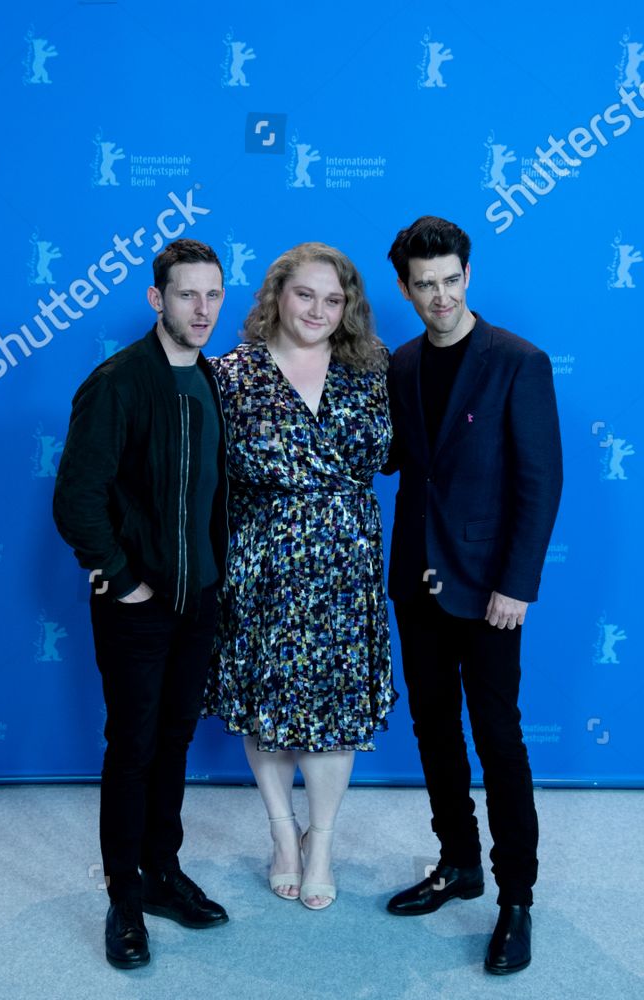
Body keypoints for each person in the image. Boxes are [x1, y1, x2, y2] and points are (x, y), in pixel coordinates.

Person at [380, 216, 562, 976]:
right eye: (426, 285)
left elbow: (540, 481)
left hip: (490, 591)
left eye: (452, 280)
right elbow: (397, 460)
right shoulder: (401, 363)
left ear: (468, 275)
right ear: (406, 288)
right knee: (433, 730)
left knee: (497, 737)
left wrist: (516, 586)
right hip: (418, 580)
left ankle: (515, 897)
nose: (441, 296)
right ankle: (458, 862)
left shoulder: (519, 361)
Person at [52, 238, 231, 970]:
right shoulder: (119, 381)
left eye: (214, 295)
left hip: (200, 602)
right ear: (157, 298)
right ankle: (124, 898)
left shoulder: (214, 380)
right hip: (137, 605)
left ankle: (164, 872)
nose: (203, 310)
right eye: (188, 295)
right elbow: (75, 500)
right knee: (133, 749)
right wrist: (122, 577)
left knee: (176, 740)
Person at [204, 242, 396, 911]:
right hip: (265, 566)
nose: (318, 310)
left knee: (334, 716)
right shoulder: (231, 373)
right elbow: (204, 477)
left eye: (334, 299)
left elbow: (407, 456)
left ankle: (323, 842)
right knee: (270, 710)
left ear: (349, 309)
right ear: (277, 296)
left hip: (346, 568)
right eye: (305, 294)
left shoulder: (373, 370)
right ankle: (283, 834)